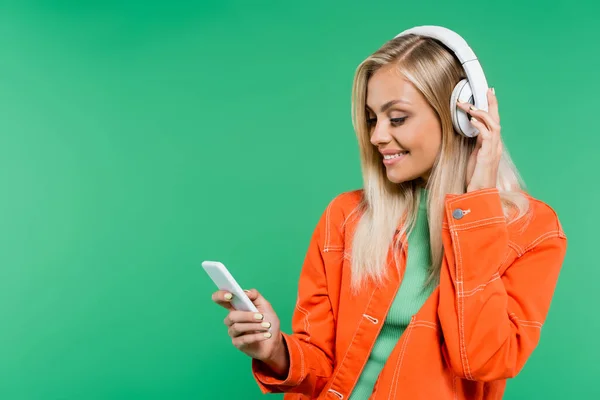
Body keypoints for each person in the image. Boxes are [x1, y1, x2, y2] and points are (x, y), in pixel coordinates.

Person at [211, 26, 567, 399]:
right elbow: (320, 365)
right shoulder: (346, 218)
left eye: (396, 118)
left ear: (462, 118)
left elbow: (482, 361)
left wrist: (477, 204)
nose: (377, 135)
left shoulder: (532, 231)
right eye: (371, 119)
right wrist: (275, 351)